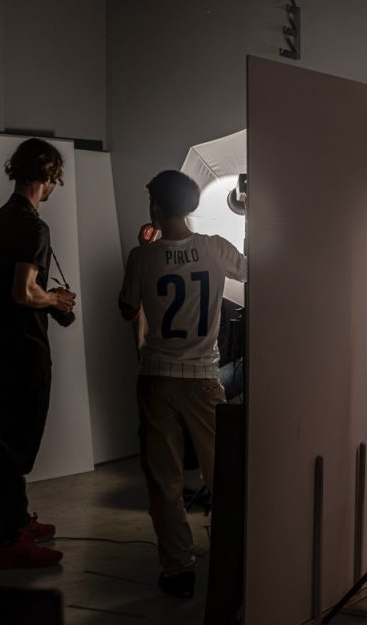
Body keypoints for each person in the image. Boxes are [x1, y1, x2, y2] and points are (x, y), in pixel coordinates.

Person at [118, 170, 247, 598]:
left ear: (156, 206)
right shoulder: (214, 248)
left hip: (156, 377)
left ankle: (178, 568)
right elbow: (252, 271)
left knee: (164, 480)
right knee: (223, 474)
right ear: (190, 206)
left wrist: (145, 247)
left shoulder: (143, 257)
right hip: (202, 377)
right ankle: (238, 556)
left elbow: (126, 308)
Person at [0, 138, 76, 569]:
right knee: (18, 442)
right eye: (54, 181)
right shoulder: (34, 227)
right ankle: (9, 541)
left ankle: (14, 519)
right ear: (47, 177)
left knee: (9, 429)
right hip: (26, 346)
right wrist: (56, 301)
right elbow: (24, 292)